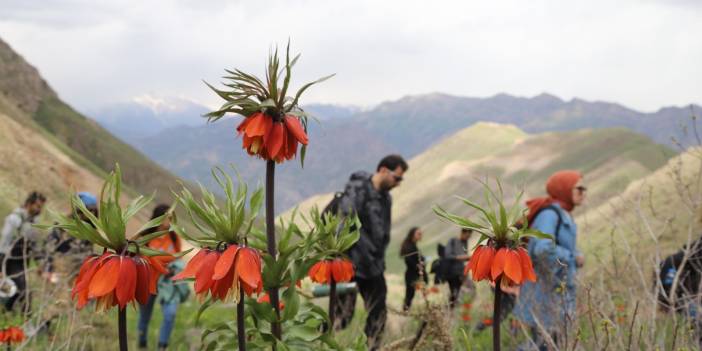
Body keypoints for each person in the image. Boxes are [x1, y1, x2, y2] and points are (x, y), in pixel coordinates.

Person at [337, 154, 408, 350]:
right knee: (342, 316)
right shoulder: (357, 188)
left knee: (378, 313)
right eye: (397, 178)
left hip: (373, 266)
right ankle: (317, 341)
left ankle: (372, 347)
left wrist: (378, 259)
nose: (398, 183)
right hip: (351, 264)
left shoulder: (386, 198)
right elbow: (345, 225)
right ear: (384, 170)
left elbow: (382, 233)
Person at [513, 170, 587, 351]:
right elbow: (542, 248)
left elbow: (557, 244)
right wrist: (572, 258)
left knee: (553, 342)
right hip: (546, 291)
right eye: (579, 188)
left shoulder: (562, 213)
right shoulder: (550, 214)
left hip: (556, 289)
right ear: (564, 189)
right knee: (546, 343)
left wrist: (575, 252)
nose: (584, 193)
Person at [137, 204, 186, 351]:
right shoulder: (145, 237)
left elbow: (178, 256)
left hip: (167, 282)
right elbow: (138, 258)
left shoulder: (173, 235)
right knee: (145, 315)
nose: (170, 222)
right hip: (148, 280)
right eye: (167, 218)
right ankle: (142, 343)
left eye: (171, 219)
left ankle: (162, 346)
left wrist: (174, 268)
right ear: (158, 219)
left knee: (170, 314)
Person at [0, 191, 46, 313]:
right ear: (29, 204)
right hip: (8, 261)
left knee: (18, 292)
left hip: (21, 262)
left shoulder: (34, 223)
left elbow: (35, 246)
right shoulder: (14, 219)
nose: (39, 209)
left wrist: (40, 263)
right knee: (19, 291)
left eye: (41, 207)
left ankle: (8, 312)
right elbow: (4, 243)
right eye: (38, 206)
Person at [44, 192, 97, 281]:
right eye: (88, 210)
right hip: (56, 272)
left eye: (92, 211)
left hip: (73, 275)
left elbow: (87, 256)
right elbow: (49, 248)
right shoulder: (62, 225)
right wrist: (47, 270)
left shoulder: (90, 233)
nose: (90, 214)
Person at [400, 227, 428, 311]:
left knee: (415, 295)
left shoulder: (413, 246)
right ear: (412, 235)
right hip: (412, 275)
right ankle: (406, 311)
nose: (420, 235)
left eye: (421, 234)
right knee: (410, 295)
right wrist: (418, 266)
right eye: (418, 234)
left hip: (416, 274)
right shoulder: (409, 247)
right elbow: (408, 260)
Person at [445, 228, 472, 308]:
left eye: (469, 237)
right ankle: (450, 308)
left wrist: (468, 258)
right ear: (463, 233)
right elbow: (448, 256)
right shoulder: (452, 241)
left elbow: (464, 257)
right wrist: (463, 257)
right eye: (467, 236)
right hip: (451, 272)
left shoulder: (465, 242)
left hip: (460, 271)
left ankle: (453, 308)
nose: (467, 238)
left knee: (458, 291)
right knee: (454, 291)